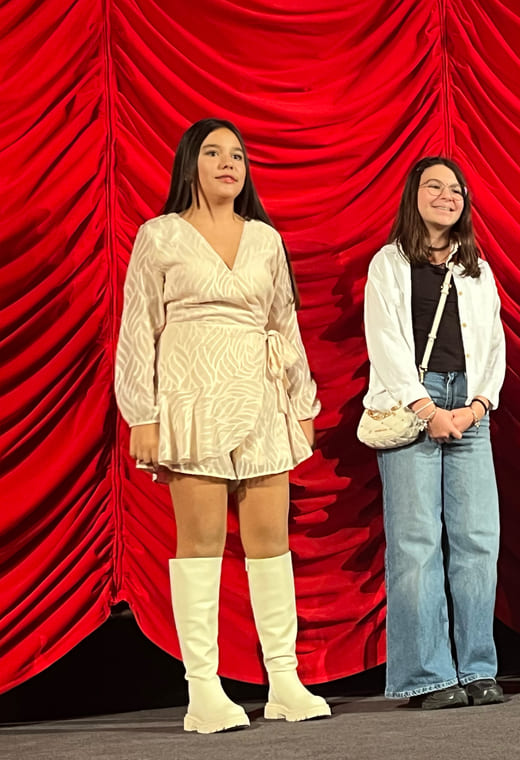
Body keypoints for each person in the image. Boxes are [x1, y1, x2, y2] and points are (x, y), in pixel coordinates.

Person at [115, 118, 330, 733]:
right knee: (202, 541)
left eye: (236, 154)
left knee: (270, 540)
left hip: (260, 396)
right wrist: (144, 416)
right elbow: (138, 330)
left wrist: (301, 403)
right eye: (213, 153)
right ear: (191, 164)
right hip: (191, 395)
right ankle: (203, 691)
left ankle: (284, 680)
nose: (228, 163)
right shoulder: (159, 236)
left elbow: (284, 324)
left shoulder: (265, 239)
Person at [364, 157, 507, 708]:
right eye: (434, 186)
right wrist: (429, 410)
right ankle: (429, 675)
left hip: (469, 406)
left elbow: (493, 343)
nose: (447, 196)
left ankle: (477, 668)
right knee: (416, 545)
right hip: (412, 406)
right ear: (413, 195)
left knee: (476, 540)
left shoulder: (477, 268)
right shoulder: (388, 263)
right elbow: (387, 344)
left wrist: (475, 406)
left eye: (456, 189)